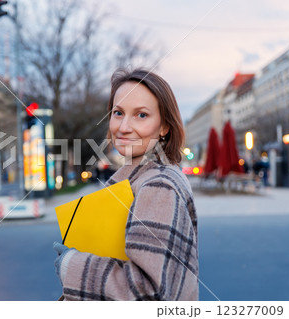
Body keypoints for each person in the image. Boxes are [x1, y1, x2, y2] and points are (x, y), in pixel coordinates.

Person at [53, 68, 199, 301]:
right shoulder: (148, 178)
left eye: (141, 115)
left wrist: (71, 264)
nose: (123, 127)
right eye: (118, 112)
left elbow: (150, 295)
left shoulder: (158, 186)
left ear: (164, 127)